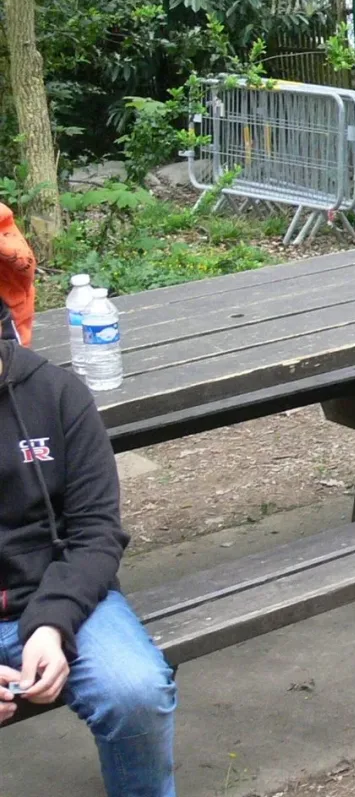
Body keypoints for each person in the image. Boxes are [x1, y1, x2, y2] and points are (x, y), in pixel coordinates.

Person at [0, 295, 178, 795]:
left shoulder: (56, 393)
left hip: (55, 593)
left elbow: (96, 530)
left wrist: (52, 623)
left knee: (135, 692)